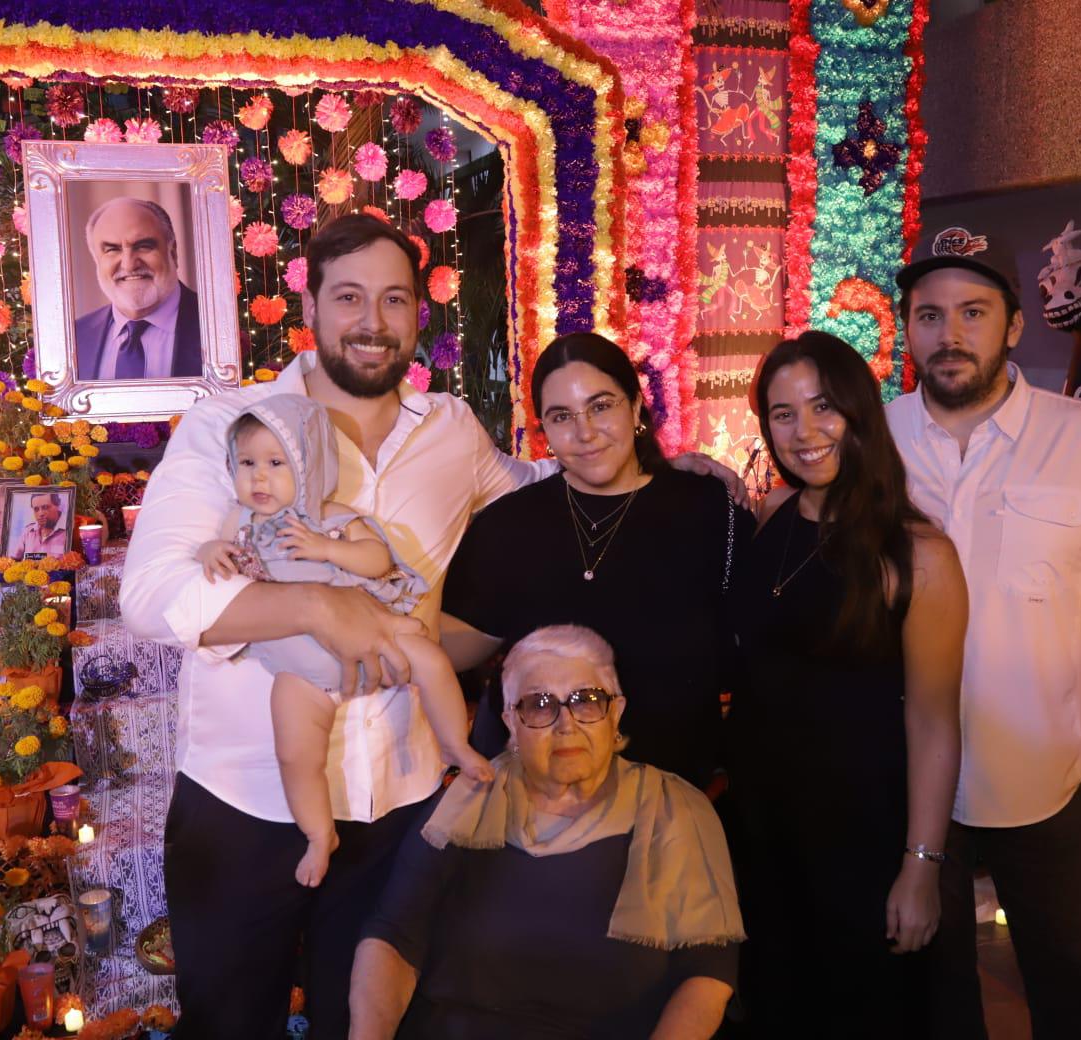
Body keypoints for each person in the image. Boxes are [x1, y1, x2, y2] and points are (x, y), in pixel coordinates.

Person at [121, 214, 742, 1038]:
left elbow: (549, 487)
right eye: (349, 297)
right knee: (230, 1024)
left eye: (394, 299)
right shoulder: (232, 429)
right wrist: (317, 605)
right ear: (310, 303)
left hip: (400, 809)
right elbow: (152, 592)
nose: (372, 322)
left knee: (375, 1020)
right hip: (247, 802)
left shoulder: (450, 431)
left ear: (419, 313)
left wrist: (670, 469)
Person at [887, 224, 1081, 1040]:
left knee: (1073, 998)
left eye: (974, 311)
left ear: (1014, 325)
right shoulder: (873, 442)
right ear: (907, 328)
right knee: (931, 1007)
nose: (950, 334)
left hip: (1044, 775)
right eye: (928, 315)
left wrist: (1027, 655)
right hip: (902, 782)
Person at [727, 330, 966, 1036]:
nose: (805, 432)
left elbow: (933, 723)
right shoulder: (772, 515)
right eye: (782, 413)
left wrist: (920, 867)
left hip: (860, 834)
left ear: (860, 409)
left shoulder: (919, 554)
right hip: (760, 827)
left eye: (824, 406)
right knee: (776, 1003)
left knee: (863, 1011)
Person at [350, 625, 743, 1039]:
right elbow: (392, 933)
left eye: (586, 701)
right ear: (510, 725)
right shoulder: (469, 798)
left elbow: (707, 976)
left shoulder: (674, 809)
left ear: (617, 713)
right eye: (539, 705)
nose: (565, 724)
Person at [196, 397, 491, 887]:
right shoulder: (240, 523)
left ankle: (455, 745)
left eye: (275, 464)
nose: (259, 478)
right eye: (247, 463)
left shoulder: (329, 515)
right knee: (294, 752)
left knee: (431, 660)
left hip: (373, 632)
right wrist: (211, 550)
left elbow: (377, 559)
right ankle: (318, 833)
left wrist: (326, 548)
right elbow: (215, 551)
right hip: (301, 668)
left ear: (309, 466)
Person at [443, 332, 750, 788]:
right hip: (544, 800)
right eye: (562, 416)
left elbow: (748, 650)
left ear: (635, 405)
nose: (584, 432)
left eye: (601, 405)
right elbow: (455, 640)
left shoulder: (708, 507)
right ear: (545, 429)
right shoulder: (511, 523)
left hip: (674, 792)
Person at [73, 196, 202, 381]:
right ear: (96, 260)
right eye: (112, 249)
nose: (129, 264)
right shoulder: (75, 337)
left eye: (143, 246)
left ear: (172, 253)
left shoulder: (217, 325)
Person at [8, 492, 68, 559]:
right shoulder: (28, 532)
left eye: (45, 507)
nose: (40, 514)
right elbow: (13, 560)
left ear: (58, 505)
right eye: (36, 509)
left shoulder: (69, 531)